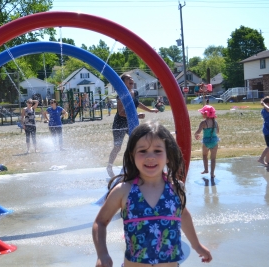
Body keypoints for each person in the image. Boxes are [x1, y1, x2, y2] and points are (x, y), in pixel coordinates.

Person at [93, 122, 212, 267]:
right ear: (132, 155)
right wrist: (102, 254)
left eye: (157, 151)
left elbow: (183, 215)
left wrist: (197, 245)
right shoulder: (124, 190)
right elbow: (100, 222)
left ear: (168, 155)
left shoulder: (175, 189)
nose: (150, 157)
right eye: (142, 151)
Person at [107, 74, 159, 178]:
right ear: (123, 82)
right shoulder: (121, 94)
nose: (131, 79)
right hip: (120, 123)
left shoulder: (135, 92)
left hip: (132, 123)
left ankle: (132, 167)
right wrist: (136, 115)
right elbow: (121, 112)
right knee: (117, 147)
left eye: (131, 78)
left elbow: (137, 103)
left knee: (136, 145)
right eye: (128, 78)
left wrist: (150, 110)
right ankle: (109, 167)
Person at [194, 105, 220, 183]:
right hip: (214, 141)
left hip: (206, 142)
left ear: (207, 114)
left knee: (205, 155)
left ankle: (206, 169)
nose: (202, 114)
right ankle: (212, 174)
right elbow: (217, 131)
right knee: (213, 158)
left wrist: (196, 135)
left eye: (203, 113)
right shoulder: (215, 122)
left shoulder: (203, 123)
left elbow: (198, 132)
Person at [258, 96, 269, 166]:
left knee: (268, 147)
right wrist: (263, 104)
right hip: (267, 130)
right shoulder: (264, 110)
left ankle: (267, 161)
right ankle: (261, 159)